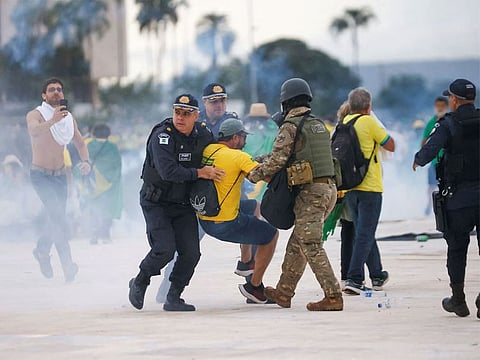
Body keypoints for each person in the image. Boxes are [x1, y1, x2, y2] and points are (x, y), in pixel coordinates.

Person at [248, 78, 344, 311]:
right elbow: (291, 156)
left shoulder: (291, 126)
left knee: (310, 244)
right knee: (297, 244)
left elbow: (277, 161)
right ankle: (284, 292)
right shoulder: (317, 124)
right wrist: (258, 161)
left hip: (310, 194)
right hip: (327, 190)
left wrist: (253, 174)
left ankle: (333, 296)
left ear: (286, 102)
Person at [128, 94, 224, 312]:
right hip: (157, 201)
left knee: (191, 253)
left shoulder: (203, 133)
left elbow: (217, 152)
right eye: (177, 112)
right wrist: (201, 172)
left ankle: (174, 296)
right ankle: (140, 280)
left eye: (186, 113)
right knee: (164, 249)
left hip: (183, 203)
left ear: (196, 116)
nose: (180, 118)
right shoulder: (163, 136)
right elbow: (168, 171)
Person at [413, 79, 479, 319]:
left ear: (454, 100)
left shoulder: (448, 123)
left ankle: (458, 300)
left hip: (460, 198)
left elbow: (430, 149)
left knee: (457, 249)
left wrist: (418, 160)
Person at [198, 118, 279, 304]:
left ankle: (245, 262)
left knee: (253, 207)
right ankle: (255, 288)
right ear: (235, 138)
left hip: (204, 218)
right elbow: (264, 176)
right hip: (225, 223)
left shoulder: (209, 150)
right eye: (243, 137)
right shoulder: (238, 157)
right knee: (271, 234)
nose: (245, 141)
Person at [26, 77, 91, 282]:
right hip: (40, 175)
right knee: (58, 218)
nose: (56, 92)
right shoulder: (35, 114)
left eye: (59, 90)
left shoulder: (68, 118)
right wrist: (52, 120)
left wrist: (87, 162)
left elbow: (80, 143)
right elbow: (34, 131)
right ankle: (67, 265)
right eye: (51, 89)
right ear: (44, 95)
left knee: (57, 219)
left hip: (60, 176)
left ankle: (42, 250)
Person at [342, 87, 395, 295]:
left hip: (351, 188)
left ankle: (377, 274)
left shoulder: (344, 123)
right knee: (364, 234)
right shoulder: (369, 122)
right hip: (370, 187)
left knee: (365, 231)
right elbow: (390, 145)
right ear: (368, 107)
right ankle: (354, 278)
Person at [86, 124, 123, 244]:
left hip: (94, 183)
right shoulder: (112, 146)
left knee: (94, 208)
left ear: (94, 133)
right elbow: (118, 165)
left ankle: (94, 234)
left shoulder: (89, 145)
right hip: (110, 184)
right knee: (108, 208)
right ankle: (105, 234)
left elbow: (83, 162)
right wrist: (115, 181)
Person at [420, 97, 449, 216]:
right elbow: (424, 140)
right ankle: (429, 206)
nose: (440, 108)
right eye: (438, 105)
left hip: (448, 160)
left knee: (448, 185)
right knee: (431, 185)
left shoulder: (450, 121)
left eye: (442, 105)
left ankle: (447, 207)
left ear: (446, 107)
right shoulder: (431, 122)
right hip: (434, 162)